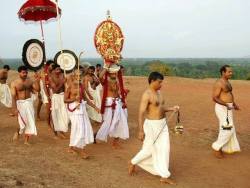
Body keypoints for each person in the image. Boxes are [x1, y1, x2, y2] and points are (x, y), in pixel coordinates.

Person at [128, 72, 179, 185]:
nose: (161, 84)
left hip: (162, 124)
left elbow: (161, 108)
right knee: (149, 149)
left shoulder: (160, 93)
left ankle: (164, 176)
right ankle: (133, 162)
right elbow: (141, 112)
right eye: (159, 82)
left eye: (162, 82)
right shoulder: (147, 94)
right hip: (151, 125)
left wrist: (172, 109)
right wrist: (140, 130)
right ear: (152, 81)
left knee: (165, 148)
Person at [64, 70, 100, 159]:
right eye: (77, 76)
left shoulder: (81, 86)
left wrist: (95, 107)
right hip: (74, 110)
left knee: (81, 129)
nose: (79, 78)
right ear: (74, 76)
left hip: (82, 109)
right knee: (80, 129)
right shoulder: (70, 87)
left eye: (80, 76)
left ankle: (71, 147)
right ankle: (82, 151)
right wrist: (74, 99)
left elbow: (86, 99)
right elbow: (65, 100)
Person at [96, 64, 129, 149]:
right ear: (109, 73)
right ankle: (97, 135)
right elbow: (99, 77)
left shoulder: (118, 81)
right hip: (109, 103)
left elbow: (117, 93)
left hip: (117, 103)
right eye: (113, 73)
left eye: (116, 72)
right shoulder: (106, 81)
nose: (114, 74)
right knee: (107, 122)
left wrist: (123, 98)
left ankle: (115, 142)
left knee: (120, 121)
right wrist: (106, 66)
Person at [212, 65, 240, 158]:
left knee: (225, 128)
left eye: (231, 72)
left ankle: (221, 148)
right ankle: (216, 147)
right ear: (223, 72)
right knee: (228, 128)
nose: (231, 73)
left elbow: (229, 93)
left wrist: (234, 104)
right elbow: (215, 98)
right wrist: (226, 104)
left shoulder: (227, 82)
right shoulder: (219, 83)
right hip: (222, 108)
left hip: (228, 107)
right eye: (229, 72)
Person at [11, 66, 40, 145]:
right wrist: (14, 108)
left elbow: (37, 89)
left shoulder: (30, 81)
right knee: (21, 122)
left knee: (30, 121)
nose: (25, 74)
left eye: (26, 72)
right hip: (20, 103)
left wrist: (37, 80)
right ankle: (18, 131)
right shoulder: (14, 83)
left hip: (28, 102)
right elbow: (13, 97)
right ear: (19, 73)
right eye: (23, 72)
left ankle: (26, 141)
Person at [49, 64, 69, 139]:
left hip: (63, 96)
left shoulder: (62, 75)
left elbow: (65, 87)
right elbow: (56, 90)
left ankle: (61, 131)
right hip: (56, 97)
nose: (59, 71)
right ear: (53, 70)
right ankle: (55, 134)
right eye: (57, 69)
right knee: (55, 115)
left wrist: (66, 83)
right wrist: (62, 82)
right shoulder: (51, 77)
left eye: (59, 69)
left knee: (64, 115)